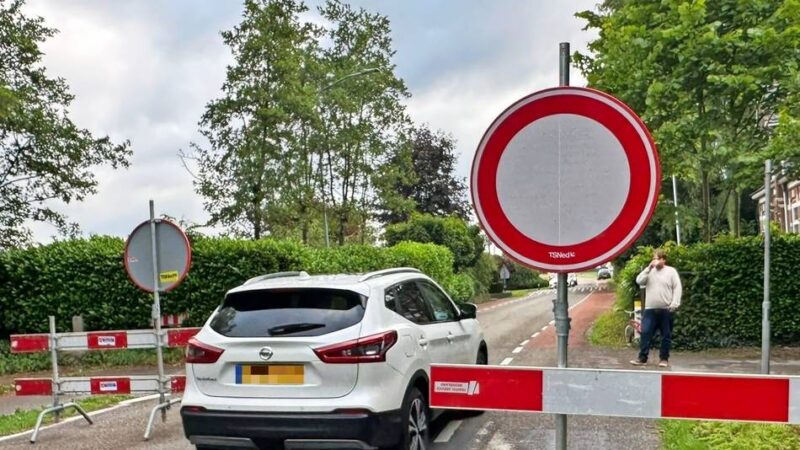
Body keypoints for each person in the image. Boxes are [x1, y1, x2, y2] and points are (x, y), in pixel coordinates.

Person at [630, 249, 682, 368]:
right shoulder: (649, 272)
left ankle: (664, 359)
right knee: (645, 333)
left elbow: (677, 288)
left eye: (657, 258)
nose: (655, 260)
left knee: (666, 335)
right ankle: (642, 358)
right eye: (654, 258)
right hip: (650, 309)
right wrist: (648, 268)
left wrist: (674, 304)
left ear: (664, 260)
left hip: (666, 309)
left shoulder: (671, 272)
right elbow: (639, 281)